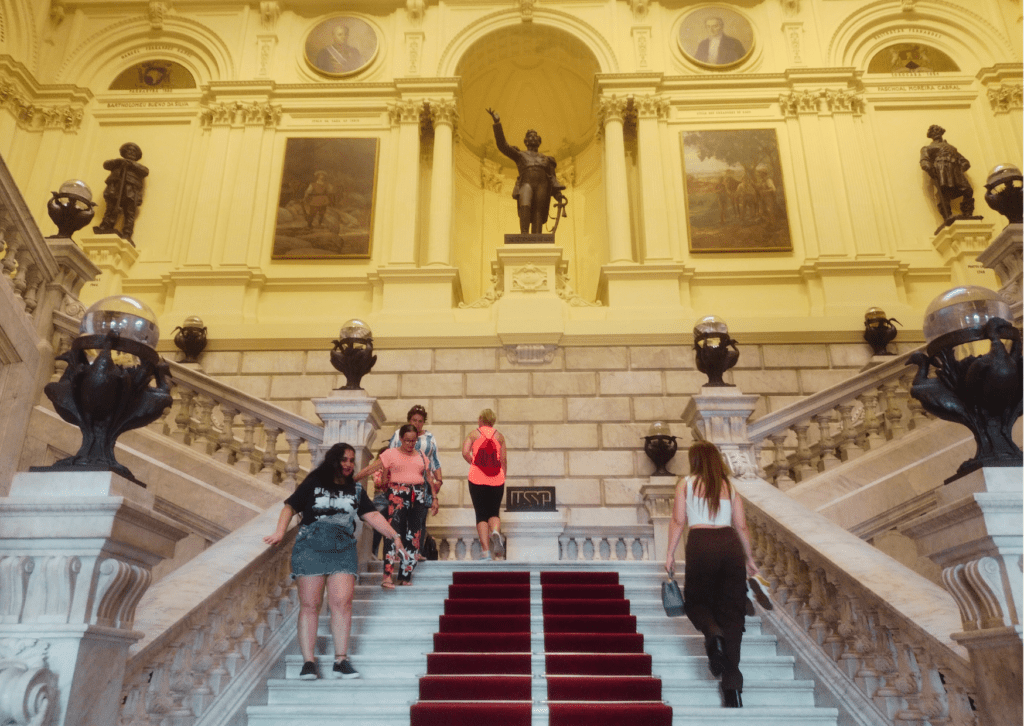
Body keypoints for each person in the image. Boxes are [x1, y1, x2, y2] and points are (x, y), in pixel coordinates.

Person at [263, 443, 406, 681]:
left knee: (342, 603)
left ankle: (341, 660)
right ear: (333, 460)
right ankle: (309, 662)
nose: (349, 464)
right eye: (344, 460)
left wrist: (394, 535)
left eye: (351, 460)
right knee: (310, 605)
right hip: (310, 547)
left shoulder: (356, 490)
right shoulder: (314, 481)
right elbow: (290, 506)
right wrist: (279, 532)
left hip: (342, 548)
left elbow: (371, 515)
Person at [664, 441, 759, 708]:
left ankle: (712, 633)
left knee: (696, 602)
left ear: (695, 460)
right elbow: (741, 525)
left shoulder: (687, 483)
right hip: (729, 545)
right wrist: (749, 558)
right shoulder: (729, 486)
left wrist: (670, 554)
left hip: (701, 543)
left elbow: (678, 520)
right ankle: (732, 688)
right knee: (733, 614)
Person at [356, 424, 438, 588]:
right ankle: (387, 577)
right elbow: (372, 468)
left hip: (418, 496)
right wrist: (352, 479)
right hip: (398, 494)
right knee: (393, 533)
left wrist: (434, 498)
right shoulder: (390, 454)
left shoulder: (422, 455)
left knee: (414, 537)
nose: (410, 444)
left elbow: (429, 478)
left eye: (413, 441)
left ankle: (405, 576)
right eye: (407, 440)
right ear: (400, 439)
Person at [487, 108, 567, 235]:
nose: (533, 138)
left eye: (535, 136)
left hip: (542, 185)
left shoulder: (547, 159)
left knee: (538, 211)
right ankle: (524, 235)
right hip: (526, 183)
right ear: (525, 141)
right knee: (525, 206)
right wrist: (497, 124)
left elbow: (552, 178)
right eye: (530, 136)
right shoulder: (520, 155)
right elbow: (502, 145)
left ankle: (537, 236)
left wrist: (558, 195)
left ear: (539, 141)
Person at [387, 405, 442, 562]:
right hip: (401, 481)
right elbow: (389, 456)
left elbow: (435, 462)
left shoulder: (429, 438)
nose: (417, 423)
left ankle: (416, 551)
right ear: (409, 420)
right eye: (414, 420)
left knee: (419, 517)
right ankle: (400, 551)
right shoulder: (399, 434)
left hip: (423, 483)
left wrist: (439, 481)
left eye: (420, 421)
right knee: (400, 516)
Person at [462, 408, 507, 560]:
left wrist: (473, 462)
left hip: (476, 478)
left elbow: (464, 452)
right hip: (497, 478)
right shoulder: (499, 436)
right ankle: (495, 531)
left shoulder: (474, 434)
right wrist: (503, 476)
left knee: (481, 514)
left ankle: (486, 551)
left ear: (481, 418)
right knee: (494, 512)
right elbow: (503, 460)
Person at [93, 142, 149, 244]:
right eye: (129, 150)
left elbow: (145, 171)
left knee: (129, 213)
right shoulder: (117, 163)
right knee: (111, 209)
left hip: (131, 191)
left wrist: (131, 164)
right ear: (124, 152)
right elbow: (106, 164)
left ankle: (127, 233)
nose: (131, 153)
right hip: (115, 188)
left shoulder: (137, 167)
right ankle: (105, 226)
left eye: (134, 152)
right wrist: (119, 162)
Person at [920, 124, 976, 222]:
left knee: (968, 190)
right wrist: (929, 167)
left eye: (937, 131)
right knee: (944, 192)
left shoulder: (951, 148)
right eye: (933, 132)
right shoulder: (927, 148)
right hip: (941, 170)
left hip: (955, 170)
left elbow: (963, 159)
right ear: (931, 135)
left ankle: (967, 212)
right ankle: (947, 215)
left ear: (941, 132)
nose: (936, 133)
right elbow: (924, 160)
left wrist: (963, 165)